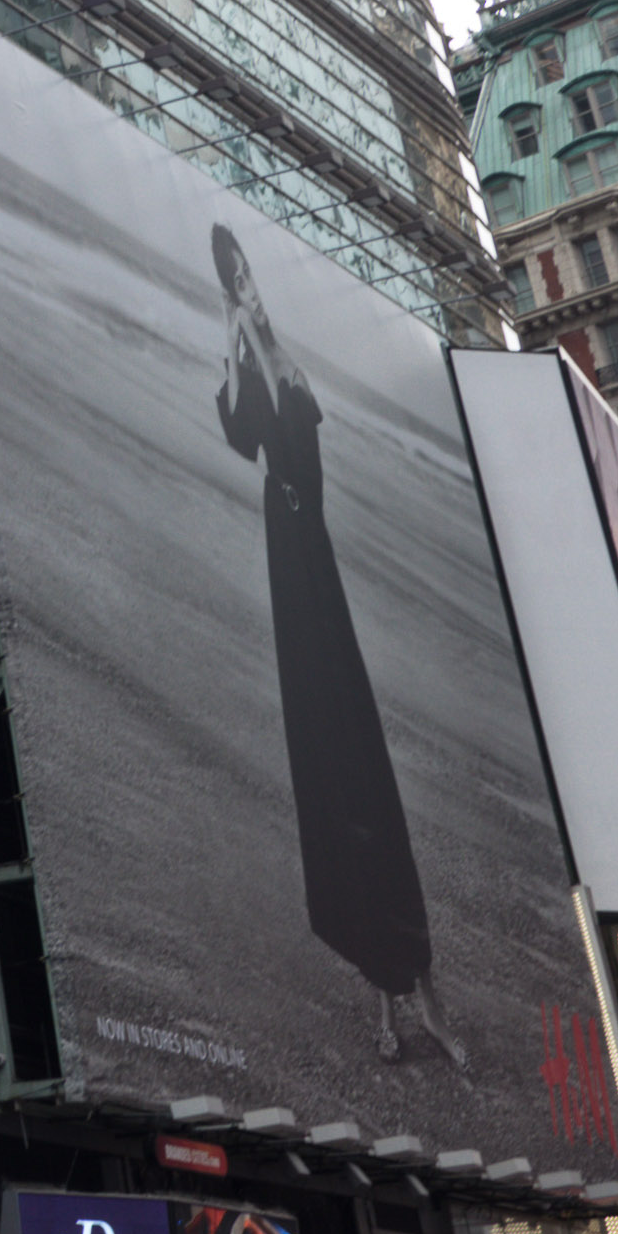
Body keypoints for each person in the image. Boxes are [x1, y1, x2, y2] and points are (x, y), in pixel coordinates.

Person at [212, 222, 447, 1059]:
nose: (248, 285)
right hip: (289, 551)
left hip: (316, 555)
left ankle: (410, 975)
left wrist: (263, 348)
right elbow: (241, 433)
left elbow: (301, 432)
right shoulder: (243, 361)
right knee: (324, 745)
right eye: (233, 276)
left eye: (249, 274)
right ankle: (376, 972)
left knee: (359, 753)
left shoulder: (287, 363)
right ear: (225, 285)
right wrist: (236, 336)